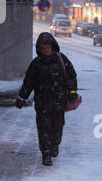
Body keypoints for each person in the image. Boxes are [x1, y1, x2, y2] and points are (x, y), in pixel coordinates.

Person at [16, 32, 78, 166]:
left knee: (57, 127)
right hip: (43, 103)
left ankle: (55, 145)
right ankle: (46, 153)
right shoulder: (36, 64)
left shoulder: (62, 60)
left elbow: (71, 77)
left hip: (59, 102)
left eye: (48, 47)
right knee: (44, 129)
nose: (45, 51)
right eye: (43, 48)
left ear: (53, 47)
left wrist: (72, 93)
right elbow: (29, 82)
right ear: (39, 49)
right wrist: (22, 96)